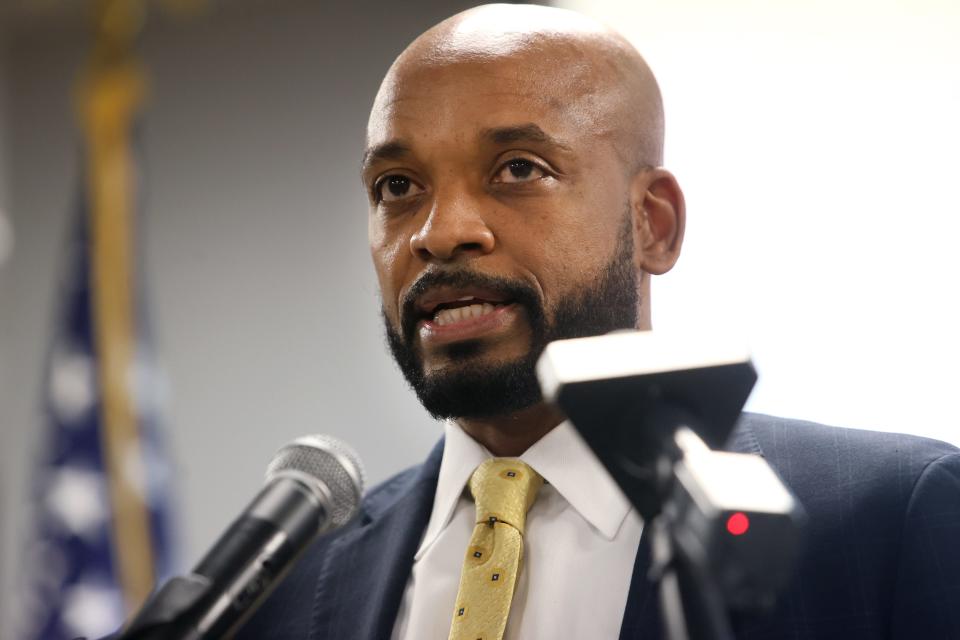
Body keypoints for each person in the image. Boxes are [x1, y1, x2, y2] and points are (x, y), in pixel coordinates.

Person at [238, 4, 960, 639]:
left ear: (653, 224)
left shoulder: (891, 521)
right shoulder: (285, 595)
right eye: (397, 187)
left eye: (518, 169)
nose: (440, 231)